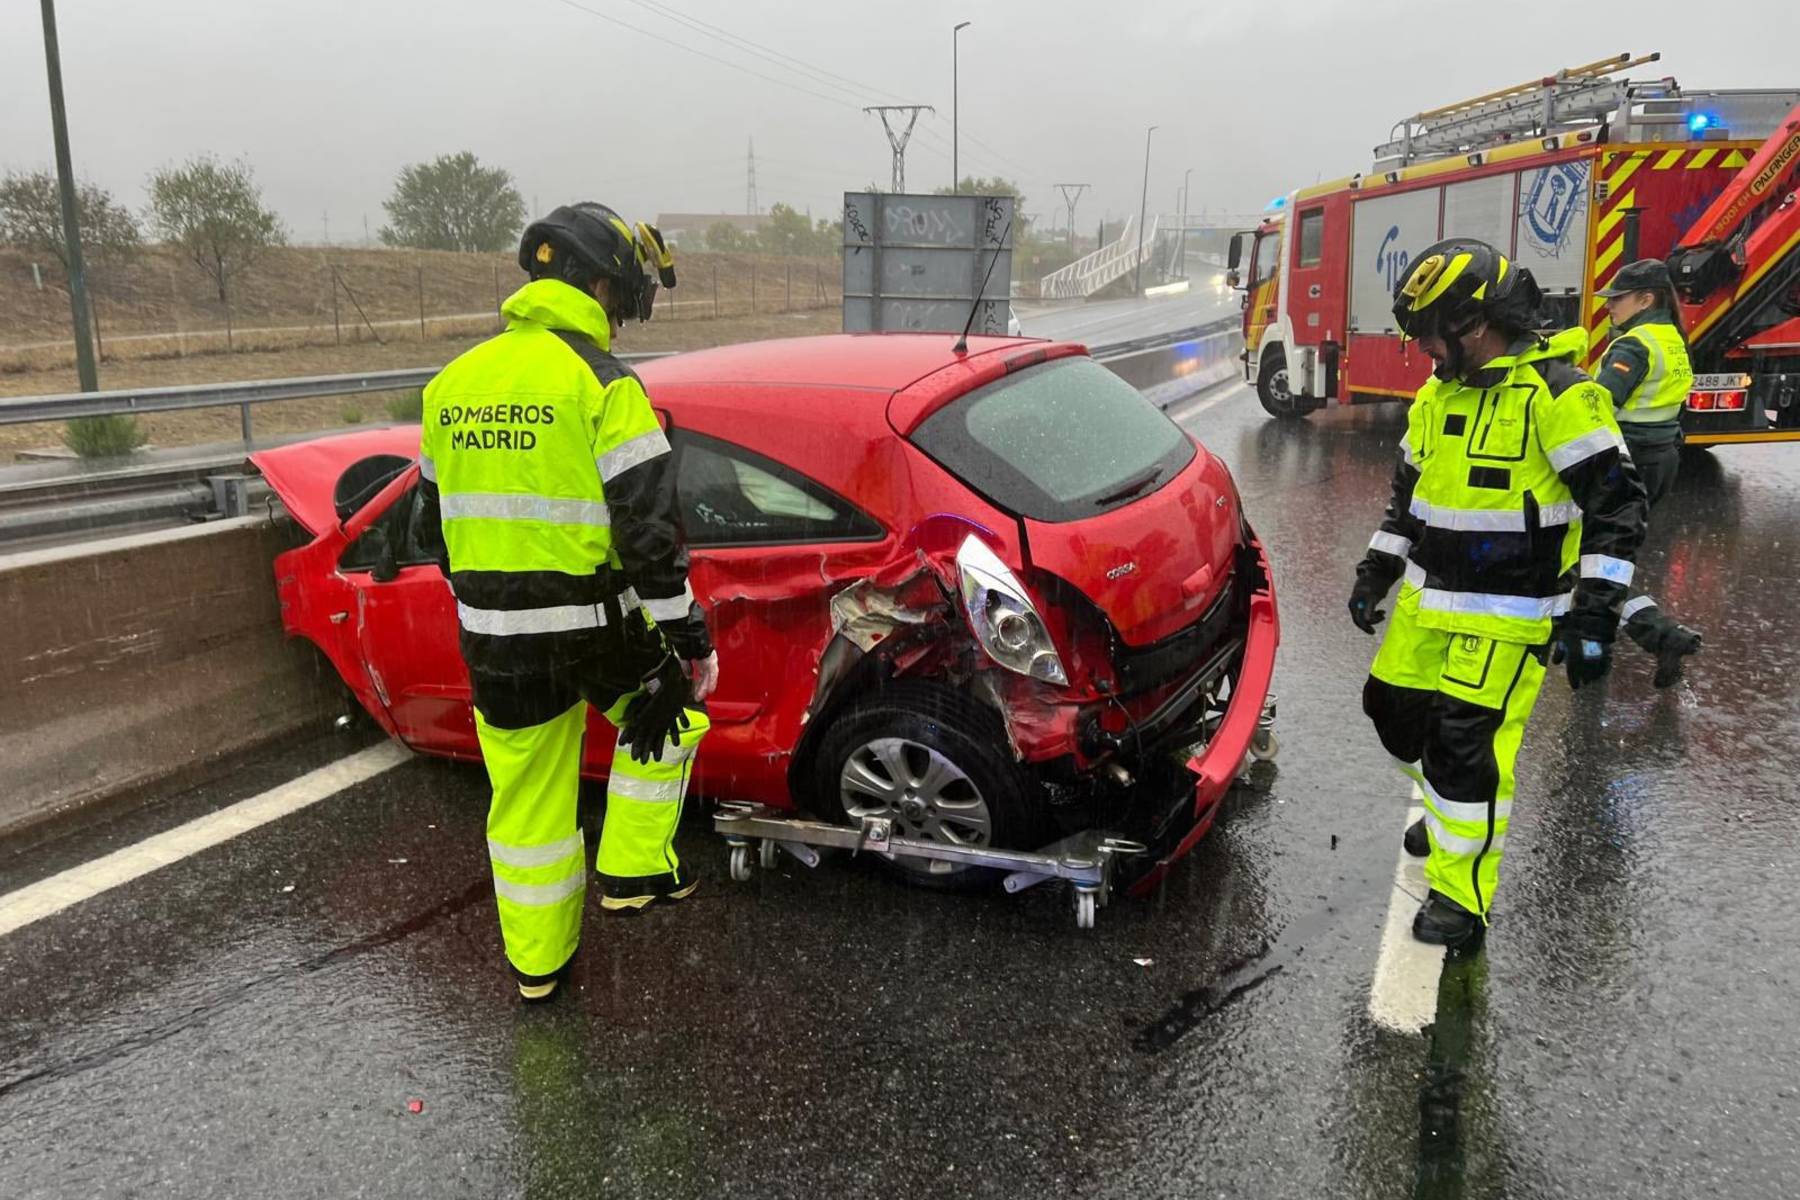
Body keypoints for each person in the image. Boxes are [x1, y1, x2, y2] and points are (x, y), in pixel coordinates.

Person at [414, 202, 719, 1002]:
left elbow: (430, 525)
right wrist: (687, 632)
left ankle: (537, 970)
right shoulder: (602, 383)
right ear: (595, 285)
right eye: (621, 296)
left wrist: (488, 600)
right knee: (672, 713)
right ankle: (633, 868)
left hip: (492, 638)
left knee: (526, 802)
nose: (621, 314)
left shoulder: (451, 385)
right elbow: (649, 531)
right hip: (591, 626)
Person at [1348, 238, 1649, 949]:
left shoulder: (1560, 395)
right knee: (1392, 714)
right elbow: (1407, 502)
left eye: (1428, 332)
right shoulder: (1436, 397)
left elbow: (1617, 510)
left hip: (1510, 619)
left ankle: (1462, 899)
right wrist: (1376, 571)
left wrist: (1596, 617)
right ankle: (1450, 811)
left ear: (1474, 324)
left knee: (1464, 751)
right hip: (1427, 605)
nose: (1422, 347)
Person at [1595, 258, 1704, 687]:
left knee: (1589, 561)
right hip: (1660, 459)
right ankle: (1603, 635)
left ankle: (1659, 637)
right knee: (1610, 557)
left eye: (1617, 299)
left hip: (1625, 462)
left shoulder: (1634, 344)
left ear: (1646, 298)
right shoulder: (1672, 337)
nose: (1609, 307)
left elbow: (1598, 407)